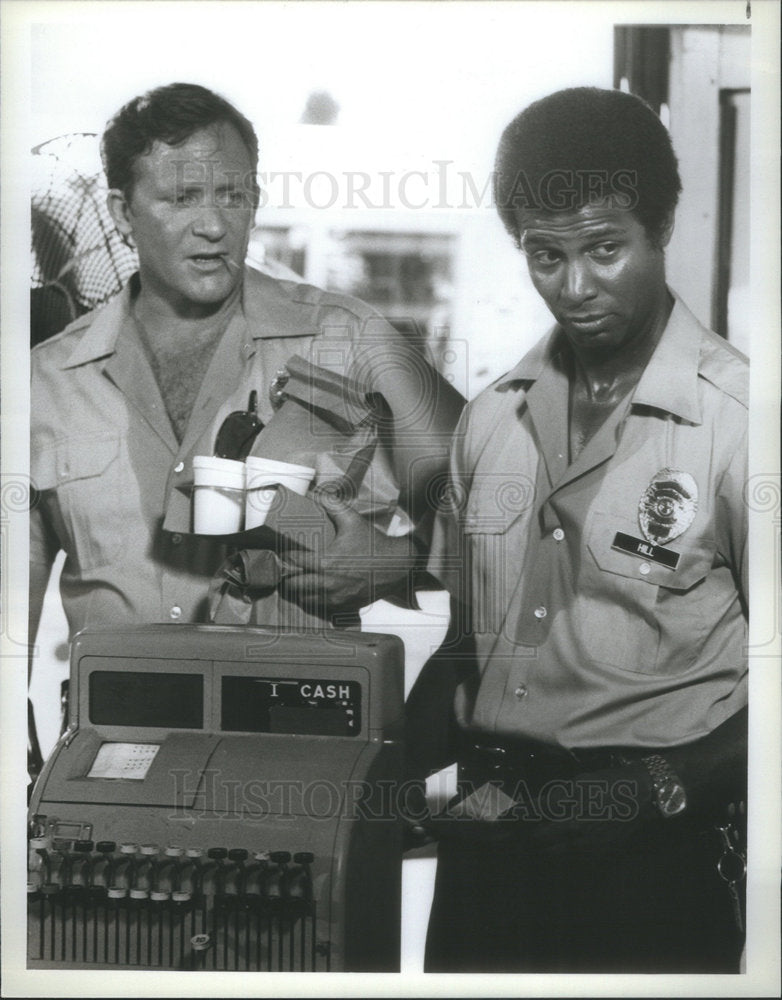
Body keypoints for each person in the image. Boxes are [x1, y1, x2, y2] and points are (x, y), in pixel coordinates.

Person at [411, 87, 748, 973]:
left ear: (661, 227)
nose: (576, 287)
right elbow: (464, 643)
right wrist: (379, 780)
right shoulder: (491, 418)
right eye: (545, 256)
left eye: (605, 249)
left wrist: (661, 791)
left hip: (653, 852)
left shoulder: (744, 421)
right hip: (492, 843)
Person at [29, 82, 464, 656]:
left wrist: (393, 563)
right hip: (119, 736)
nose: (213, 225)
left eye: (232, 196)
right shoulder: (45, 383)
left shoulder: (351, 340)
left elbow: (508, 526)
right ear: (122, 213)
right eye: (182, 198)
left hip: (299, 735)